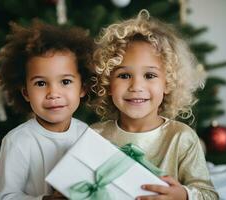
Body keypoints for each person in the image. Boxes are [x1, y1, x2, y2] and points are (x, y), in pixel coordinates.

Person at [90, 10, 218, 200]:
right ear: (108, 83)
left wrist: (183, 195)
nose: (136, 87)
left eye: (150, 76)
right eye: (124, 76)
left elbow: (210, 195)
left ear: (168, 83)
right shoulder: (95, 136)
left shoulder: (181, 138)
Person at [0, 21, 94, 200]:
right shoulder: (17, 141)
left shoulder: (87, 134)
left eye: (65, 82)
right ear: (26, 92)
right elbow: (6, 196)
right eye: (41, 83)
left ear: (83, 88)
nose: (53, 94)